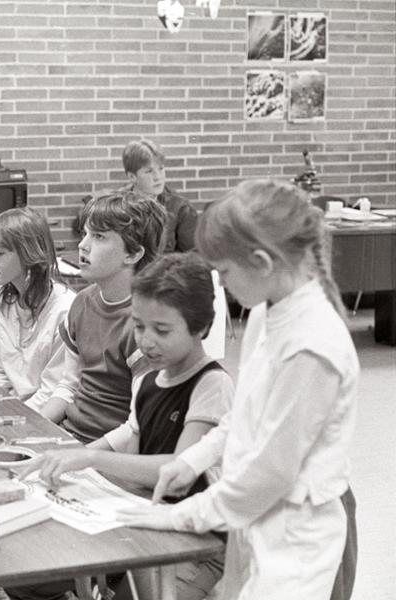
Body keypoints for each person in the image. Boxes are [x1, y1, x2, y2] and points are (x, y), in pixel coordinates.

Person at [119, 179, 360, 600]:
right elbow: (244, 417)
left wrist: (181, 517)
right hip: (255, 521)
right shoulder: (270, 314)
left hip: (294, 539)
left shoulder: (313, 345)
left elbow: (270, 475)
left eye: (225, 273)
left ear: (263, 262)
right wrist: (193, 460)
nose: (221, 283)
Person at [10, 252, 233, 600]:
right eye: (139, 326)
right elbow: (133, 435)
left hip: (196, 538)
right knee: (29, 580)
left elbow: (177, 469)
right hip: (145, 518)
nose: (146, 341)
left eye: (162, 330)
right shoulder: (150, 380)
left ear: (202, 327)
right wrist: (71, 456)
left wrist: (90, 459)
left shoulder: (211, 384)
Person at [33, 192, 166, 442]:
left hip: (114, 452)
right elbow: (69, 386)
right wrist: (35, 428)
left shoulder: (146, 322)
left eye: (99, 236)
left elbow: (138, 425)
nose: (83, 245)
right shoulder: (82, 302)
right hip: (71, 436)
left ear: (133, 253)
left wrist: (86, 457)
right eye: (85, 233)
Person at [0, 207, 75, 405]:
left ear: (28, 254)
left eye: (0, 253)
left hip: (45, 414)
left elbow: (53, 391)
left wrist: (16, 417)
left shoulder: (65, 309)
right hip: (10, 408)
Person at [122, 138, 197, 253]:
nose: (158, 177)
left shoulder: (180, 208)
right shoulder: (116, 206)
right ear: (132, 177)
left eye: (161, 169)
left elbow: (191, 257)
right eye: (149, 171)